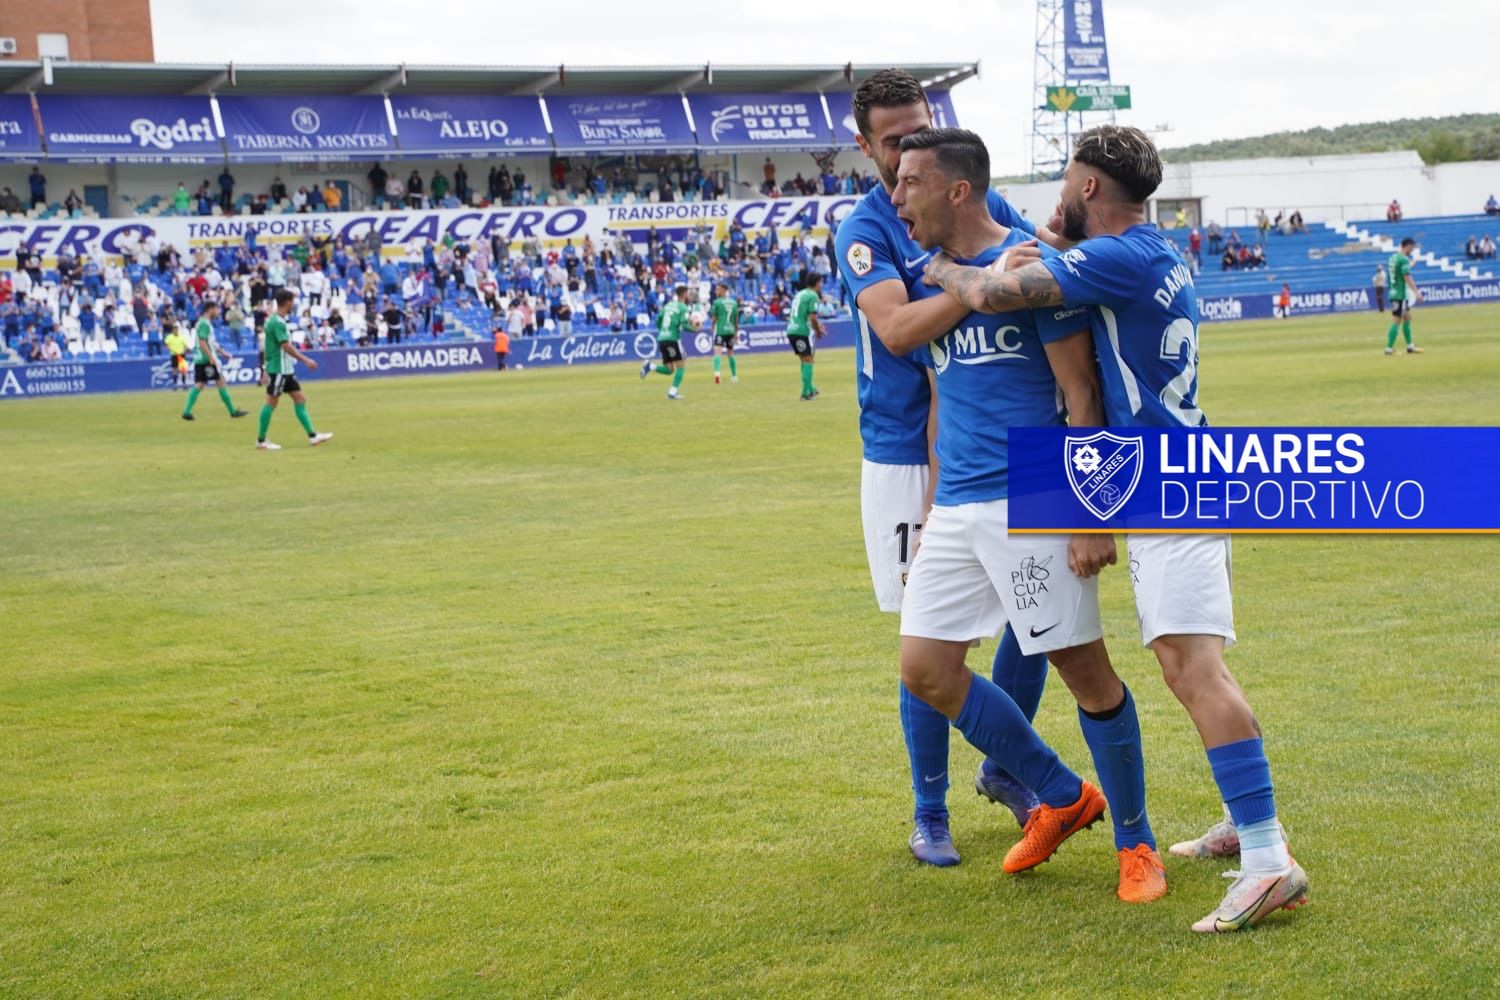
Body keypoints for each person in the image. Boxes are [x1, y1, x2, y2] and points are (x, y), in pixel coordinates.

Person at [924, 124, 1309, 933]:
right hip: (1178, 472)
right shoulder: (1147, 252)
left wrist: (942, 269)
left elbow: (994, 295)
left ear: (1091, 186)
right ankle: (1246, 822)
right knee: (1193, 664)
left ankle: (1268, 857)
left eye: (1069, 180)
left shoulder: (1117, 257)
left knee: (1191, 668)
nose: (1060, 193)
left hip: (1172, 482)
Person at [882, 127, 1158, 891]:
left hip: (1031, 490)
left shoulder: (1036, 270)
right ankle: (1064, 797)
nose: (896, 196)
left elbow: (1081, 393)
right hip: (957, 503)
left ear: (957, 190)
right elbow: (942, 401)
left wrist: (1088, 514)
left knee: (1086, 674)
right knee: (926, 669)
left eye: (910, 183)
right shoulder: (932, 278)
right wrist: (932, 508)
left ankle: (1136, 844)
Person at [257, 289, 333, 451]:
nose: (294, 304)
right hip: (279, 369)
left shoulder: (275, 321)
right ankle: (261, 440)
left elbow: (268, 347)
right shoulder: (277, 322)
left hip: (286, 369)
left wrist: (264, 368)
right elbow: (285, 346)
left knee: (300, 399)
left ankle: (312, 435)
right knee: (271, 402)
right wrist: (305, 360)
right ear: (287, 302)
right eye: (292, 301)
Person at [181, 301, 249, 421]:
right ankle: (232, 411)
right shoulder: (204, 324)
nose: (218, 312)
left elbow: (210, 342)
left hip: (200, 358)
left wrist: (223, 353)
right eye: (216, 309)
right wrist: (211, 357)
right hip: (206, 359)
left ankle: (187, 411)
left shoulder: (203, 323)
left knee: (199, 384)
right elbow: (202, 342)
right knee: (220, 382)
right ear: (210, 309)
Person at [638, 284, 691, 400]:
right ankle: (672, 393)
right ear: (684, 294)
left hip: (662, 339)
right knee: (681, 366)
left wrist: (663, 330)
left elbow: (658, 320)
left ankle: (650, 366)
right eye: (688, 293)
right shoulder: (683, 307)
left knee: (669, 369)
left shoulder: (668, 305)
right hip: (673, 339)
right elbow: (685, 325)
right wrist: (696, 329)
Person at [785, 273, 826, 400]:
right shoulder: (813, 295)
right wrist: (818, 331)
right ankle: (805, 394)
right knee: (809, 360)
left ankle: (811, 388)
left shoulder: (800, 293)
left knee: (804, 359)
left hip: (791, 329)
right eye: (821, 282)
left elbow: (803, 314)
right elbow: (812, 317)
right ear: (817, 283)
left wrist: (818, 326)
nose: (821, 285)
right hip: (801, 331)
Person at [1385, 237, 1423, 355]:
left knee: (1407, 317)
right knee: (1396, 320)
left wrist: (1412, 263)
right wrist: (1416, 292)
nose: (1412, 250)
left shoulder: (1393, 258)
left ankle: (1410, 346)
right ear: (1407, 246)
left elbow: (1399, 271)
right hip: (1400, 294)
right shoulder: (1403, 259)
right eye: (1412, 248)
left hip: (1394, 292)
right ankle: (1389, 349)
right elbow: (1406, 276)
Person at [709, 282, 739, 384]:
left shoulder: (717, 302)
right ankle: (734, 376)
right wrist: (736, 332)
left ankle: (717, 374)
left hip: (721, 331)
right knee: (731, 354)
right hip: (730, 331)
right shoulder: (733, 303)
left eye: (718, 289)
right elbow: (736, 319)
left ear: (723, 290)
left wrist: (712, 326)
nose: (716, 291)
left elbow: (714, 317)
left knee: (717, 353)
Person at [163, 322, 189, 389]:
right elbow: (166, 344)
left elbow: (185, 345)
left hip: (181, 354)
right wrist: (170, 349)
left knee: (183, 370)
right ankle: (175, 384)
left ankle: (184, 383)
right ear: (173, 330)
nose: (176, 330)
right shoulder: (169, 337)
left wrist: (184, 350)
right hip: (174, 355)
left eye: (177, 329)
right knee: (175, 370)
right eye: (174, 329)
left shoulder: (181, 337)